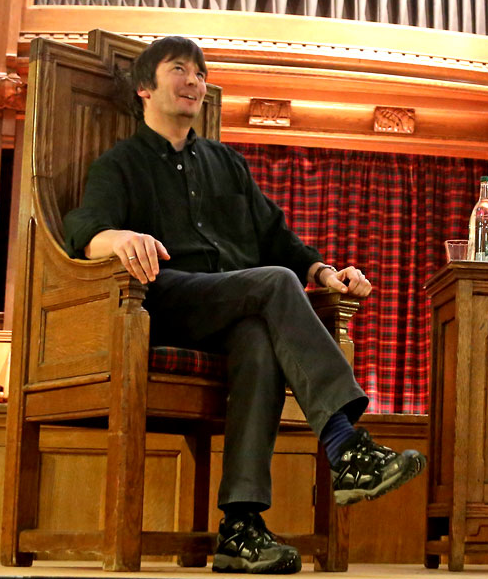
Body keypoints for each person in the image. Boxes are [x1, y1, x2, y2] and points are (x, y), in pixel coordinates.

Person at [63, 36, 425, 575]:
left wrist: (327, 272)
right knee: (275, 285)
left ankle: (239, 526)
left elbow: (277, 236)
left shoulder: (226, 163)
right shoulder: (122, 163)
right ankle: (345, 444)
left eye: (200, 73)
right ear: (145, 86)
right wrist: (115, 238)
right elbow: (82, 230)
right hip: (163, 300)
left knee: (259, 337)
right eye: (179, 69)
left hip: (235, 302)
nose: (193, 81)